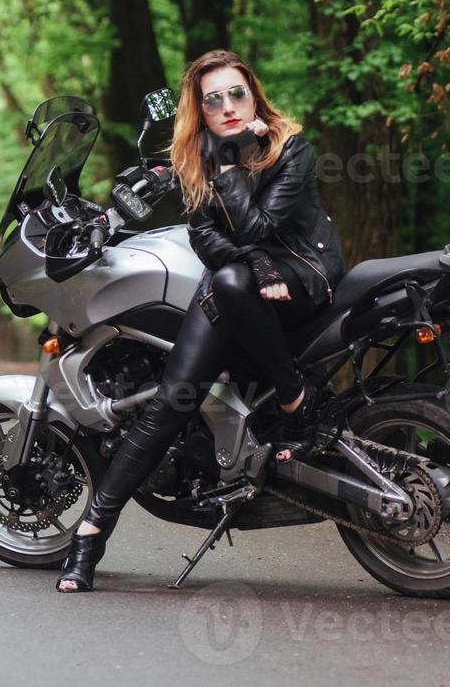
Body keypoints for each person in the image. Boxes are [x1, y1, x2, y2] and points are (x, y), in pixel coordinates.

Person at [56, 49, 346, 592]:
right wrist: (254, 262)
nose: (229, 107)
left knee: (233, 280)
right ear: (201, 110)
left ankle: (294, 400)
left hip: (304, 276)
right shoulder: (198, 158)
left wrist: (234, 167)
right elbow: (205, 238)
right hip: (238, 284)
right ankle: (89, 534)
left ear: (254, 95)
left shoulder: (290, 148)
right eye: (214, 100)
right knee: (172, 396)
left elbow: (257, 225)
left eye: (237, 94)